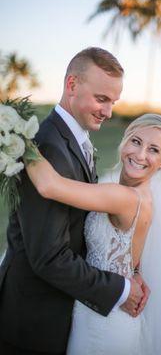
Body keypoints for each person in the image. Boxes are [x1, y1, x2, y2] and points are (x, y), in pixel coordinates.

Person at [0, 47, 147, 355]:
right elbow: (48, 257)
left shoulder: (74, 137)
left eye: (113, 102)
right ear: (72, 86)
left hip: (59, 308)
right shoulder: (48, 146)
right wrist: (119, 290)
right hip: (33, 319)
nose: (108, 111)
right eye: (101, 99)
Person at [26, 113, 161, 355]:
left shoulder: (124, 197)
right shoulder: (140, 195)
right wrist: (134, 272)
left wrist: (18, 137)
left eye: (154, 150)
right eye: (136, 141)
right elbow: (127, 254)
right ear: (124, 141)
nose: (141, 155)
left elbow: (49, 186)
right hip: (105, 308)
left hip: (103, 323)